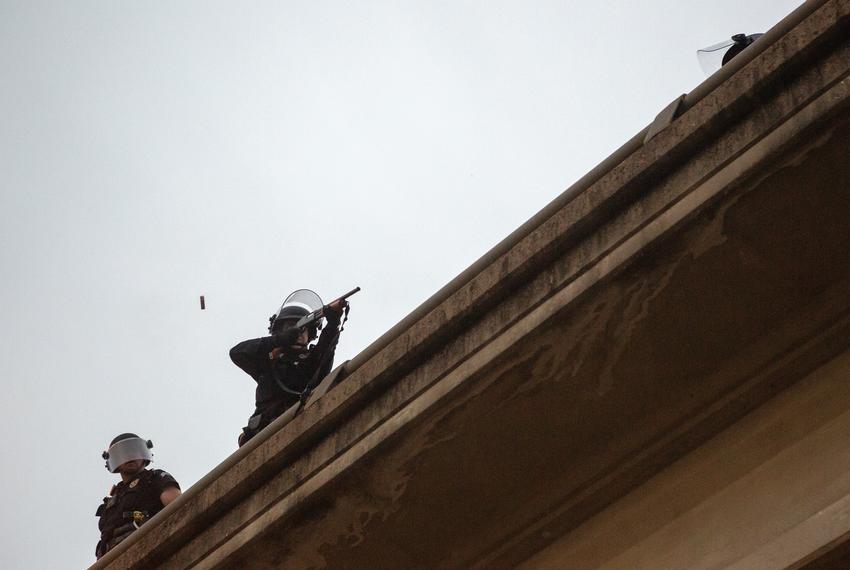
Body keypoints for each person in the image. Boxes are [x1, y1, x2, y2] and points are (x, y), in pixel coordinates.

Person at [230, 289, 347, 446]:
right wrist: (278, 341)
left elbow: (324, 352)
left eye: (304, 328)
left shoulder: (310, 361)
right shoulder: (268, 361)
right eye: (292, 327)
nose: (300, 332)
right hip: (265, 435)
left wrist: (333, 323)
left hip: (301, 426)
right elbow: (237, 353)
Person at [95, 433, 181, 559]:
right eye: (123, 453)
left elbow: (178, 505)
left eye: (134, 451)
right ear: (114, 462)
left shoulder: (154, 478)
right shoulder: (112, 499)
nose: (130, 457)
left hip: (146, 551)